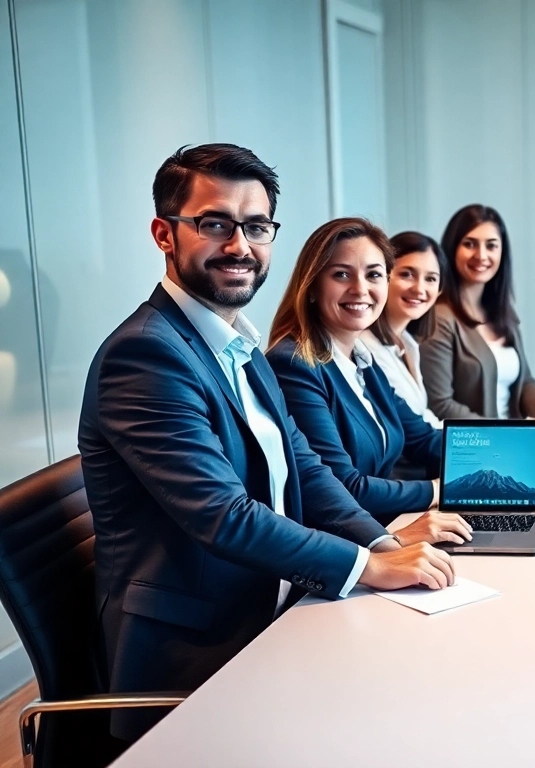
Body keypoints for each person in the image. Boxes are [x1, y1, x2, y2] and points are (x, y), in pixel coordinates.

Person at [78, 144, 462, 742]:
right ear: (164, 233)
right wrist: (368, 567)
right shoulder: (147, 354)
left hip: (282, 607)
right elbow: (223, 516)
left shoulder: (239, 347)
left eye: (256, 227)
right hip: (204, 650)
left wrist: (385, 545)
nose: (239, 246)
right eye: (214, 224)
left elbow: (305, 469)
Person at [267, 218, 474, 527]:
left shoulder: (363, 360)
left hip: (387, 528)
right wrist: (442, 490)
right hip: (348, 549)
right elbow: (344, 487)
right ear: (311, 287)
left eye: (374, 275)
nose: (360, 289)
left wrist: (504, 461)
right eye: (341, 274)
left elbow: (422, 438)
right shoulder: (295, 364)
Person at [421, 204, 535, 432]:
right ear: (452, 249)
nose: (481, 255)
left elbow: (525, 382)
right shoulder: (440, 318)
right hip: (476, 447)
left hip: (507, 441)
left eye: (491, 245)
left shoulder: (501, 313)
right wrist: (504, 435)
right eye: (469, 244)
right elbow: (440, 404)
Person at [363, 231, 443, 427]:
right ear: (382, 277)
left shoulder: (408, 342)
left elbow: (424, 416)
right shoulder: (364, 347)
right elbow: (410, 430)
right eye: (407, 274)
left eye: (431, 279)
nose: (419, 289)